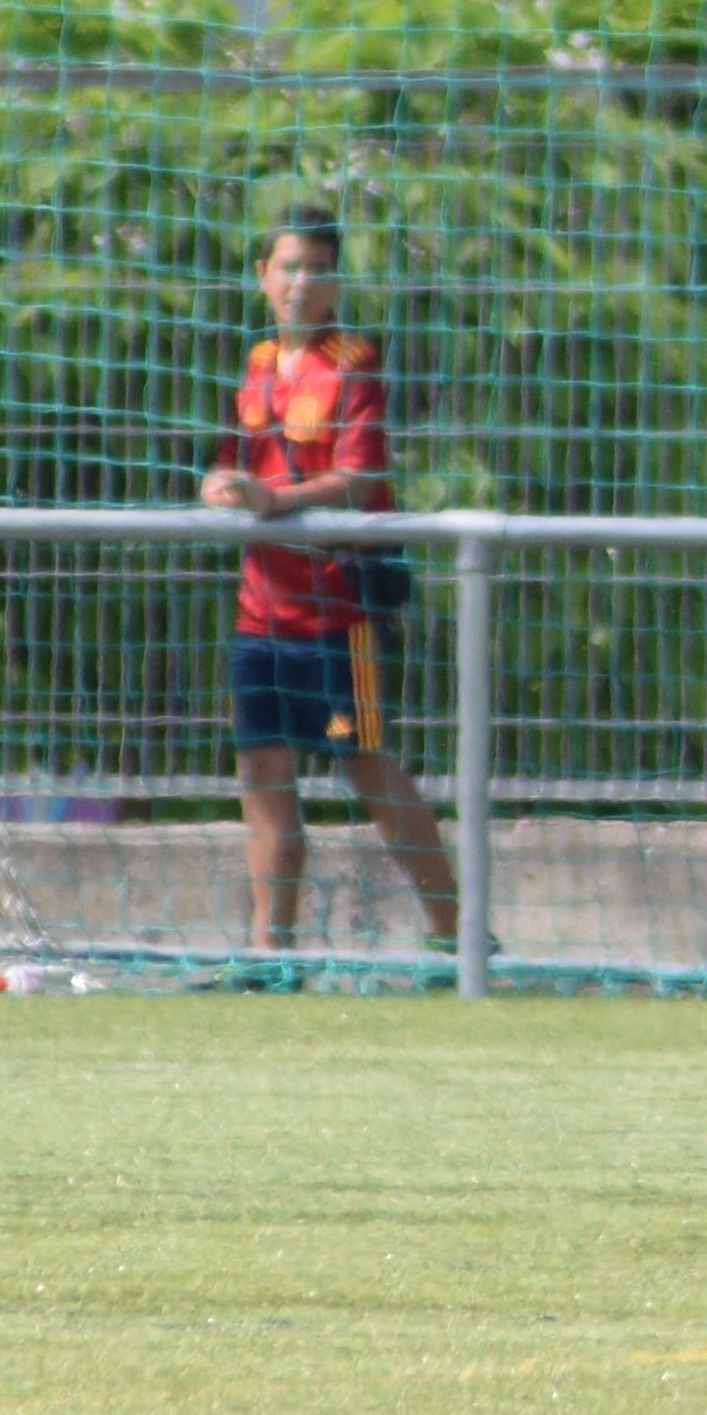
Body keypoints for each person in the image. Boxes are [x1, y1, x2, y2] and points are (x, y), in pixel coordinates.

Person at [202, 211, 463, 965]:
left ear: (337, 281)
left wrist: (272, 502)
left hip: (334, 612)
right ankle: (269, 953)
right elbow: (236, 462)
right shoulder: (255, 364)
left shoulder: (352, 361)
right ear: (262, 274)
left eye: (318, 269)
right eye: (289, 267)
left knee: (368, 767)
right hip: (261, 612)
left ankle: (456, 940)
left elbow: (361, 479)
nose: (302, 283)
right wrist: (223, 484)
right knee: (262, 773)